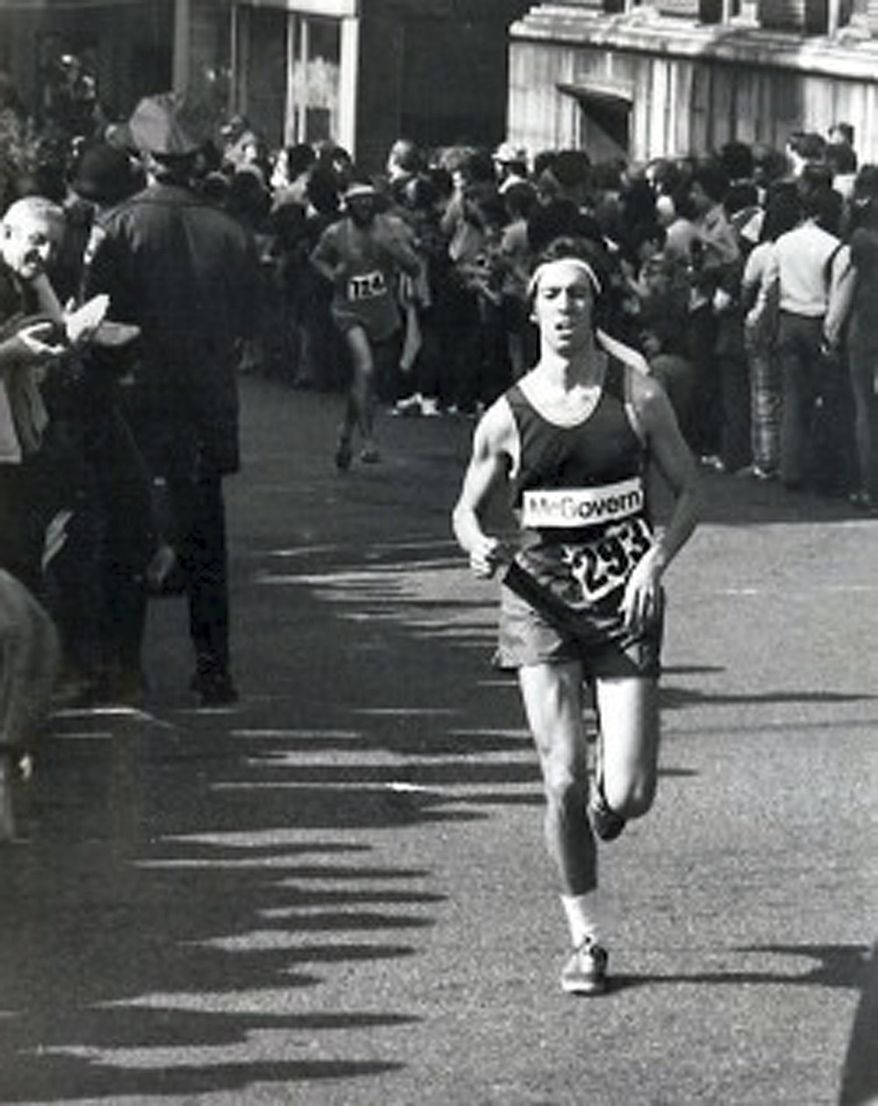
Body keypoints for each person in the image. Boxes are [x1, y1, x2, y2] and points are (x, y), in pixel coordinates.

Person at [452, 237, 699, 995]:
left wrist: (653, 565)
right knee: (559, 779)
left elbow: (688, 491)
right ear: (533, 312)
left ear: (596, 308)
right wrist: (478, 547)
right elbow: (467, 508)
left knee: (628, 795)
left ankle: (604, 798)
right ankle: (586, 941)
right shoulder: (506, 414)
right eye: (552, 296)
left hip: (624, 598)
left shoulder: (638, 396)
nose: (565, 308)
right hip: (541, 603)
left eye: (579, 295)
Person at [84, 94, 260, 706]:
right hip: (207, 402)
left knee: (125, 533)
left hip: (135, 400)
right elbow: (250, 321)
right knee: (206, 537)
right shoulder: (232, 231)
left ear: (142, 154)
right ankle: (214, 668)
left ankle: (123, 667)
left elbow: (96, 321)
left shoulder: (118, 226)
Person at [310, 177, 420, 468]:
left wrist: (397, 251)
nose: (364, 207)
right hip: (348, 311)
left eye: (368, 201)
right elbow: (317, 259)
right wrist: (333, 274)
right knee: (366, 367)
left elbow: (415, 267)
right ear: (348, 206)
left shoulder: (392, 228)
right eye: (357, 202)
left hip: (382, 313)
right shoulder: (336, 233)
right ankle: (368, 440)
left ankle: (346, 434)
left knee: (365, 380)